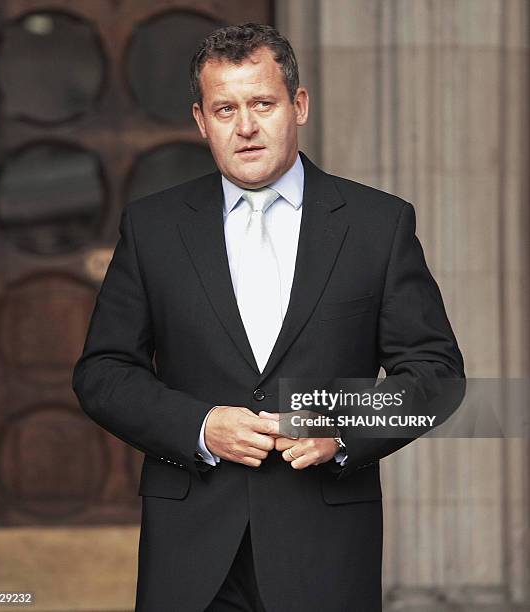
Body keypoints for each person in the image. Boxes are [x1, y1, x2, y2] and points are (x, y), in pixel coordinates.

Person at [72, 23, 465, 612]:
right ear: (201, 121)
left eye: (262, 103)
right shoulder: (151, 229)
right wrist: (202, 425)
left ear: (298, 105)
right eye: (225, 108)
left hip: (325, 551)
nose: (246, 126)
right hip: (191, 552)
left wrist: (340, 424)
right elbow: (102, 373)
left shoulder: (377, 225)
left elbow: (437, 375)